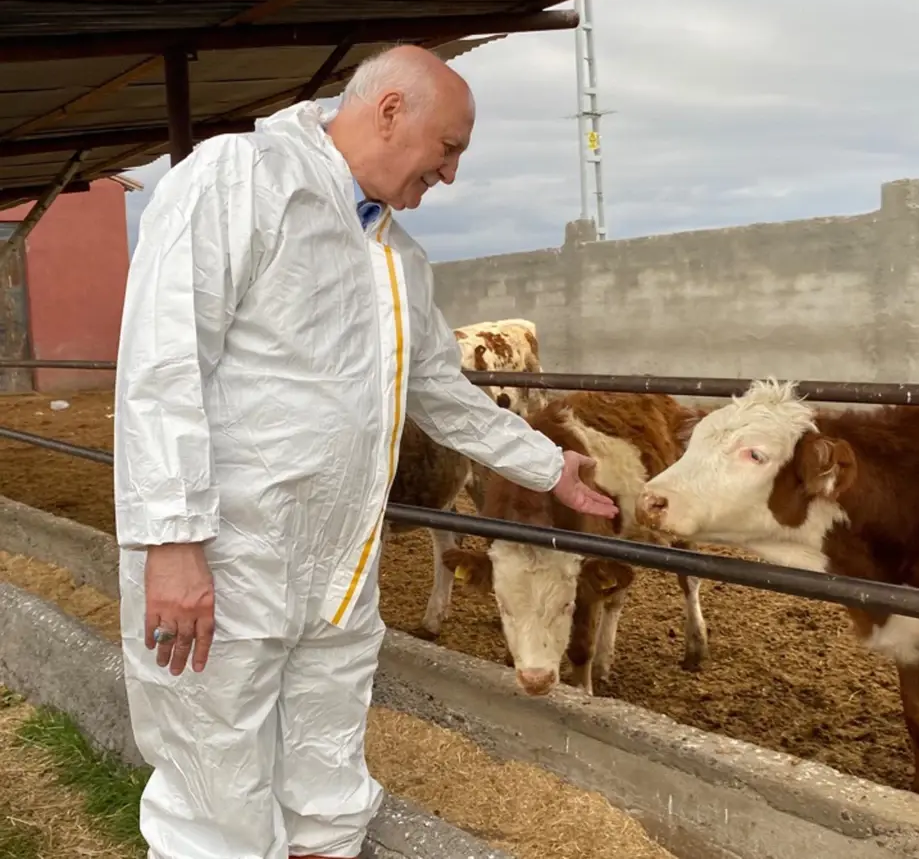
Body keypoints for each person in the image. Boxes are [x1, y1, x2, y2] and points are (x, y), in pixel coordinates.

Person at [112, 43, 619, 859]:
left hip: (340, 568)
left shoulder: (395, 257)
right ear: (390, 111)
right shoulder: (239, 181)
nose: (450, 174)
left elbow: (439, 389)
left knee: (326, 765)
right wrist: (171, 542)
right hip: (227, 557)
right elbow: (162, 364)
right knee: (216, 779)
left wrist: (546, 463)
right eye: (449, 148)